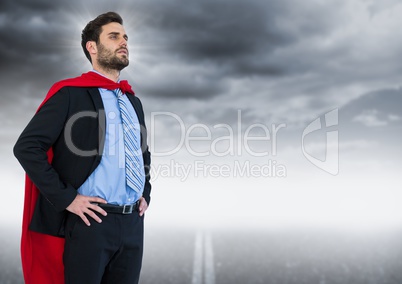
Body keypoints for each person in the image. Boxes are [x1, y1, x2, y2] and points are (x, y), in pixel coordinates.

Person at [13, 11, 151, 284]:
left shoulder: (133, 101)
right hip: (90, 223)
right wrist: (68, 199)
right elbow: (27, 147)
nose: (123, 42)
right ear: (92, 47)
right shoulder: (69, 93)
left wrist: (146, 191)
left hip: (133, 224)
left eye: (125, 37)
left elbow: (142, 152)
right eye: (113, 36)